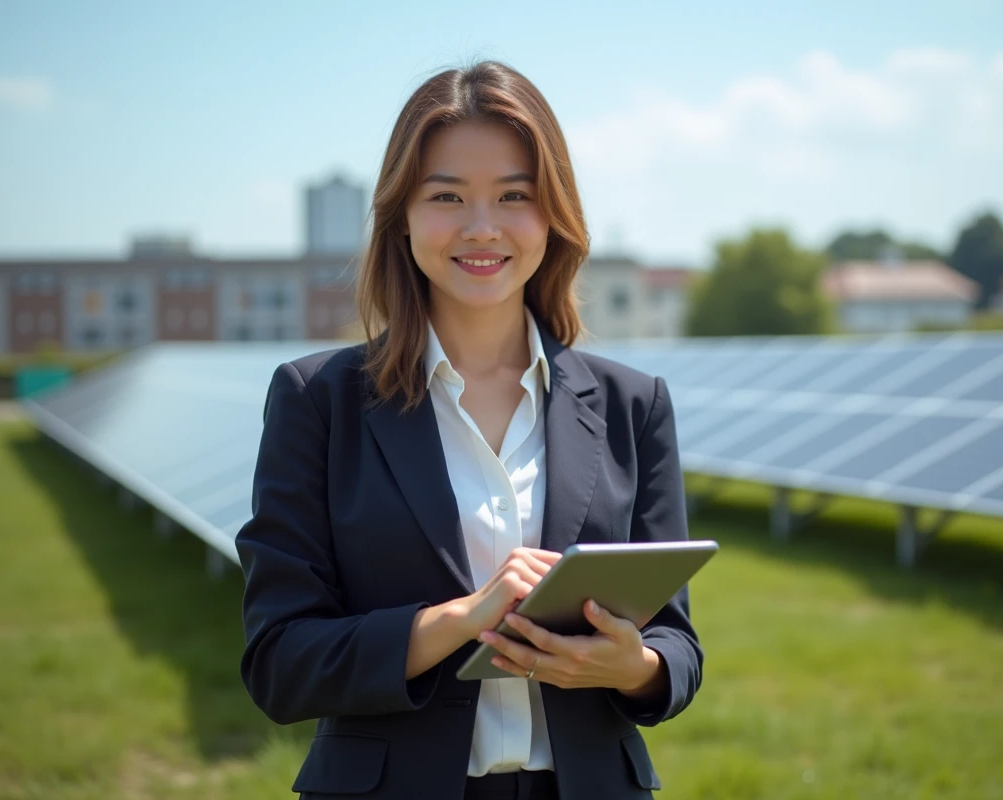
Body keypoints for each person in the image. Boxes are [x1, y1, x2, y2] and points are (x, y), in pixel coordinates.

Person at [235, 60, 703, 800]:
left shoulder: (632, 404)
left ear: (553, 213)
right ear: (403, 216)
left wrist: (633, 667)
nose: (482, 227)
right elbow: (279, 663)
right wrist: (461, 619)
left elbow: (676, 644)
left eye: (514, 196)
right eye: (447, 195)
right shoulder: (316, 401)